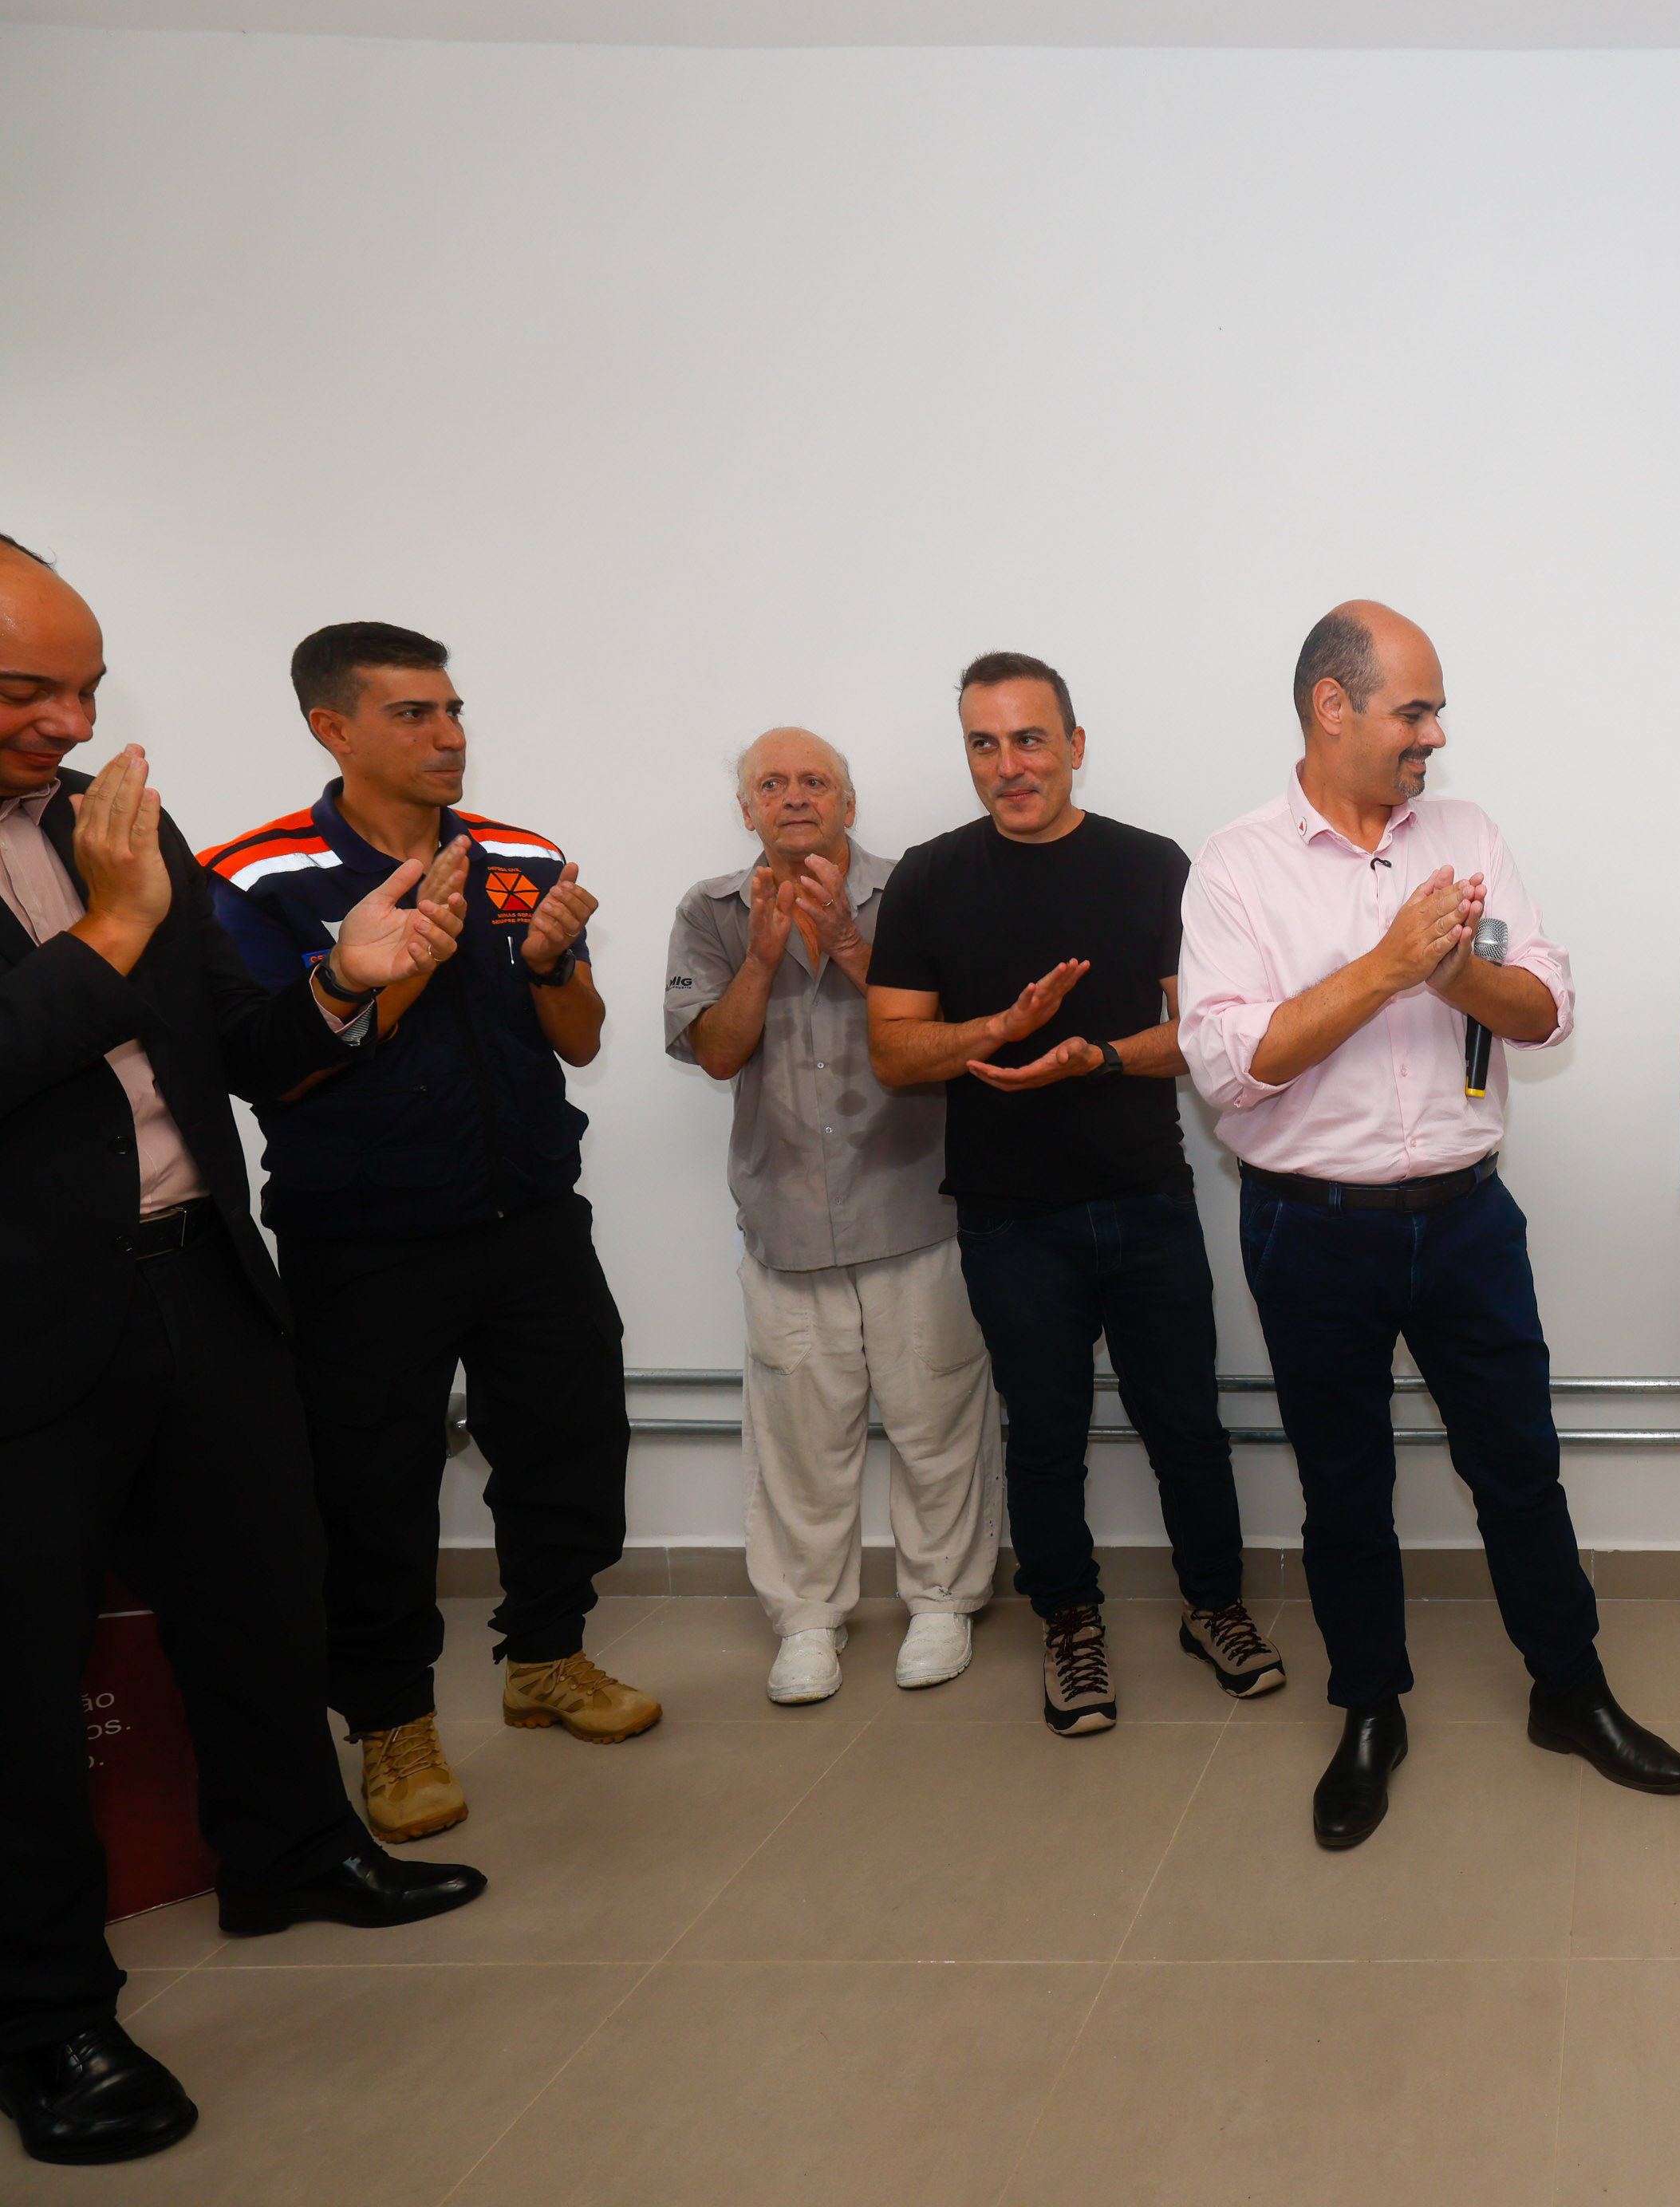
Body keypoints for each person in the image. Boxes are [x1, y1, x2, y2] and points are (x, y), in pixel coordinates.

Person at [0, 539, 487, 2170]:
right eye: (27, 691)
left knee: (263, 1591)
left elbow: (244, 1044)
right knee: (21, 1679)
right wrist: (109, 935)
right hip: (24, 1320)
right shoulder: (117, 874)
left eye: (86, 685)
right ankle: (46, 2015)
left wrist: (344, 981)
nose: (71, 723)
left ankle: (290, 1852)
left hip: (197, 1271)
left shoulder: (108, 823)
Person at [1179, 601, 1680, 1848]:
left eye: (1437, 712)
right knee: (1345, 1491)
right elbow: (1230, 1068)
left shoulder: (1468, 836)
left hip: (1467, 1222)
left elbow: (1546, 1009)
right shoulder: (1236, 866)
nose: (1435, 736)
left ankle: (1570, 1692)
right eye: (1414, 711)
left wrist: (1459, 971)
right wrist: (1387, 965)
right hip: (1310, 1232)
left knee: (1520, 1469)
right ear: (1332, 708)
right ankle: (1371, 1713)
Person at [202, 623, 656, 1847]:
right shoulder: (255, 876)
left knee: (571, 1448)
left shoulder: (521, 856)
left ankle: (547, 1657)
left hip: (534, 1219)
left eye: (453, 710)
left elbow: (580, 1039)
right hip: (365, 1244)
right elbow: (269, 1071)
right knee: (371, 1490)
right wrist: (395, 967)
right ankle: (392, 1721)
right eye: (413, 713)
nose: (449, 734)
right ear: (332, 728)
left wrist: (549, 963)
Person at [866, 652, 1280, 1736]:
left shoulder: (1152, 865)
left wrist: (1095, 1056)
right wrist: (999, 1030)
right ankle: (1070, 1624)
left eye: (1030, 739)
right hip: (1008, 1215)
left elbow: (1200, 1036)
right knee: (1043, 1435)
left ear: (1075, 746)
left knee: (1185, 1423)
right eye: (985, 744)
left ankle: (1214, 1607)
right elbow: (895, 1053)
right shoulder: (928, 879)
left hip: (1145, 1198)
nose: (1009, 765)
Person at [668, 728, 1004, 1705]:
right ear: (746, 811)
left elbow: (957, 1032)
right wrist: (763, 956)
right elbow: (717, 1054)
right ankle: (808, 1622)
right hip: (786, 1219)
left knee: (939, 1421)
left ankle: (942, 1602)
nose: (794, 796)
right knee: (799, 1443)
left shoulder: (917, 892)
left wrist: (854, 951)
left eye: (815, 780)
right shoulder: (711, 911)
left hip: (918, 1204)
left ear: (848, 804)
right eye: (771, 784)